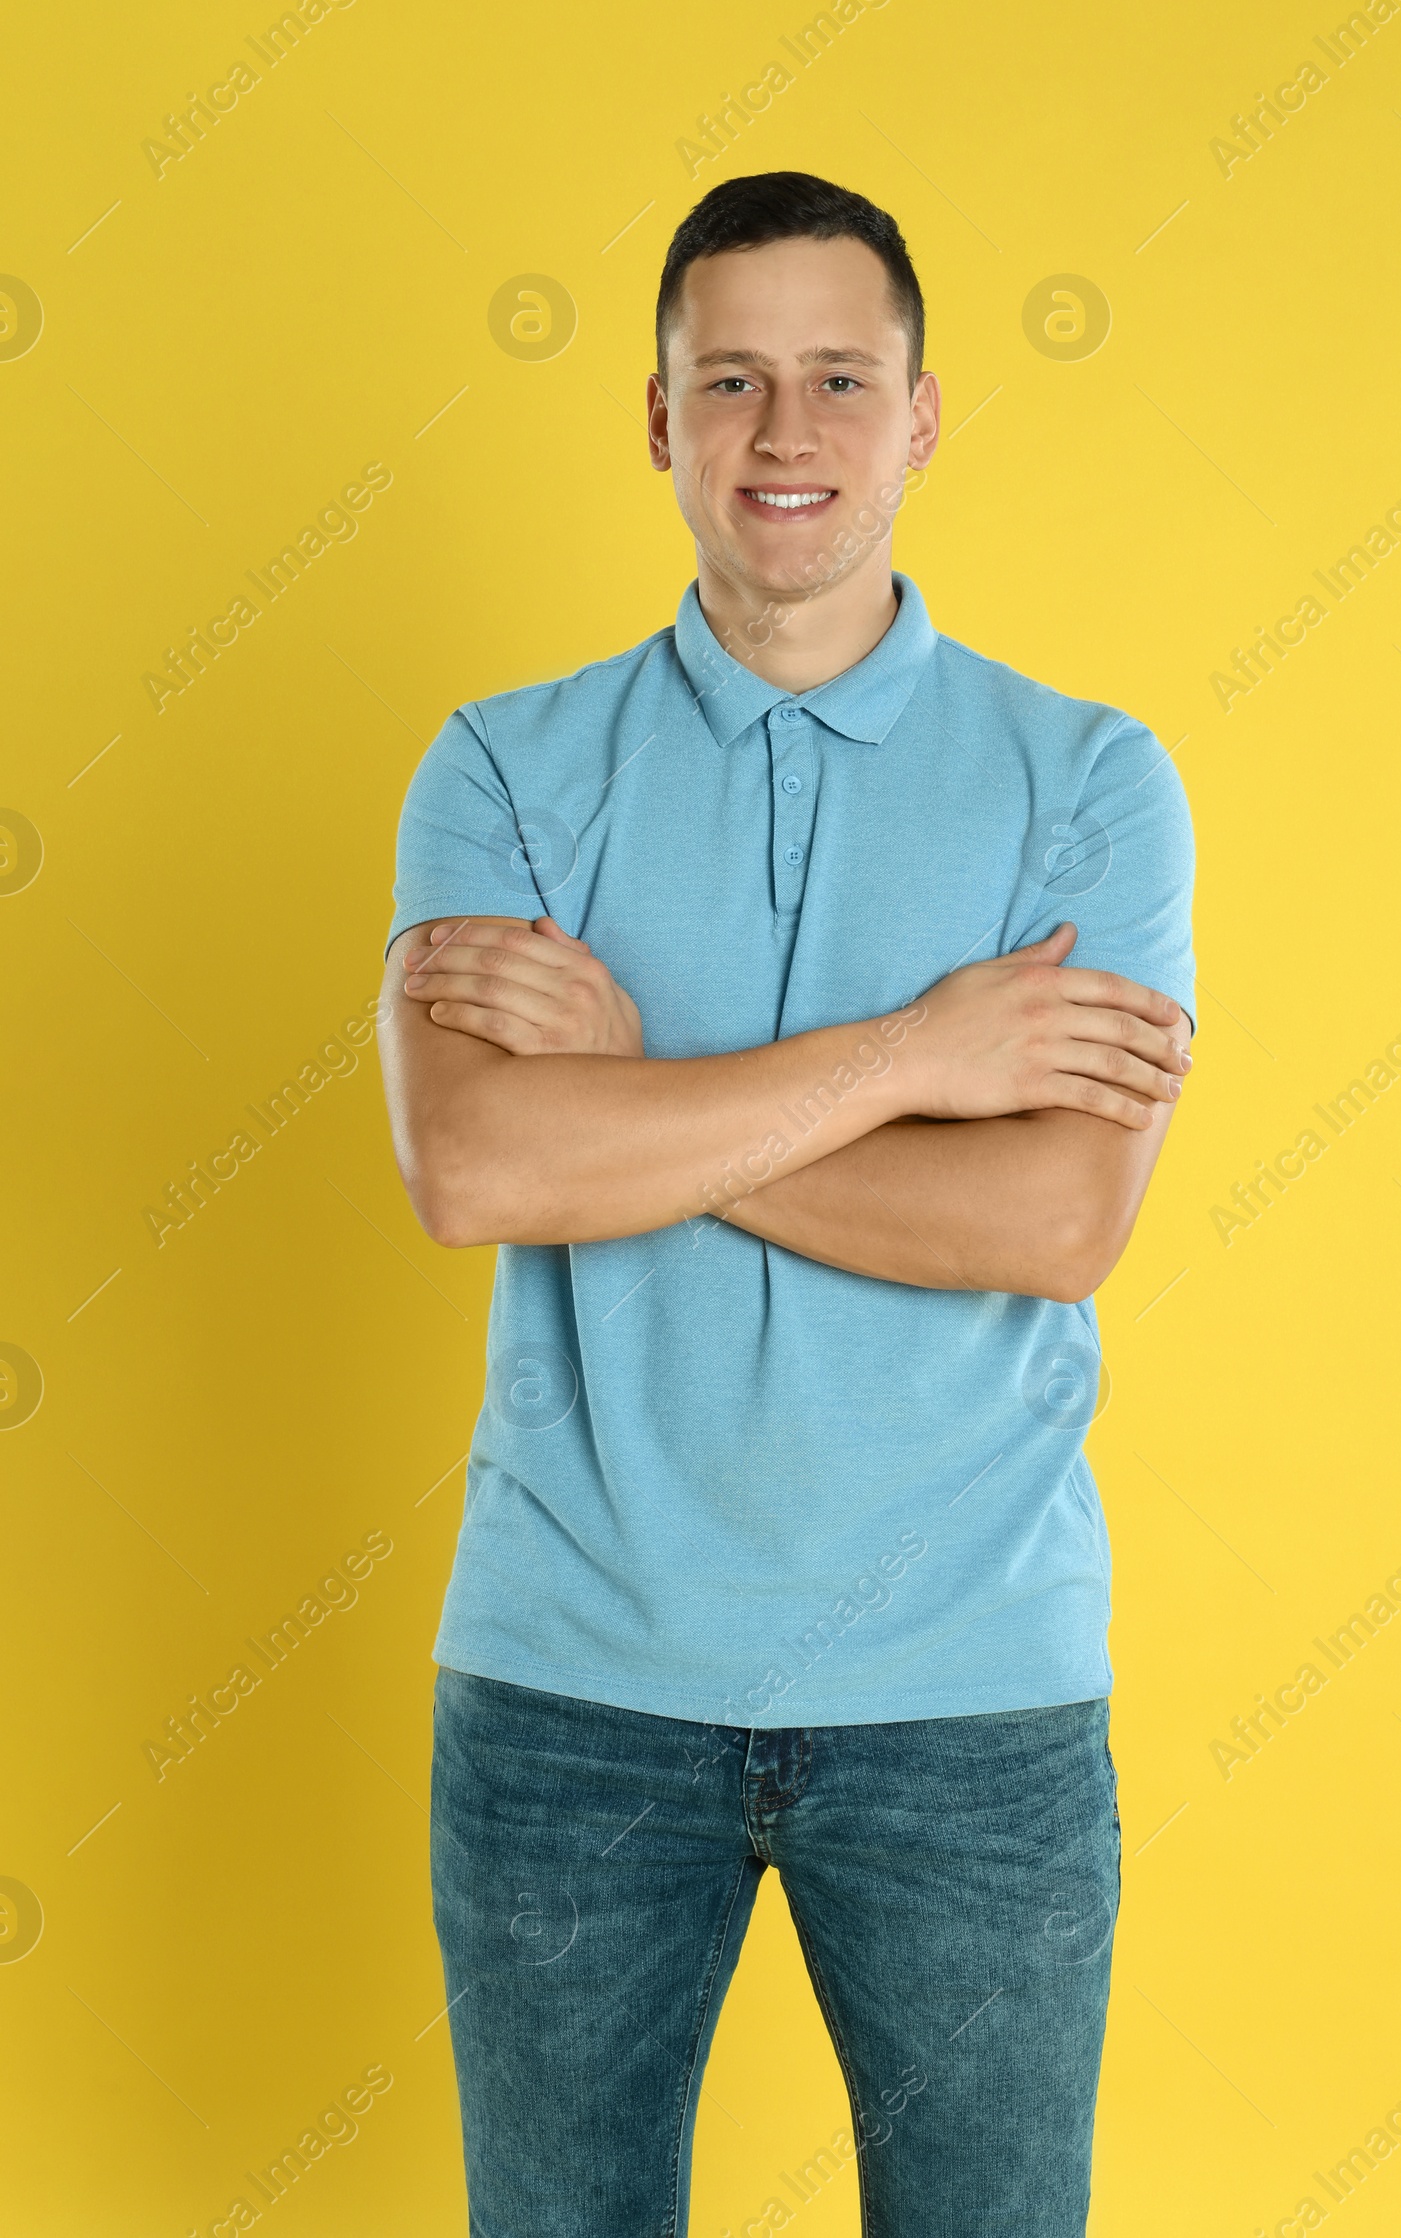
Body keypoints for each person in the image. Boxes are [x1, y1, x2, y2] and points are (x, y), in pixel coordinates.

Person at [377, 169, 1196, 2238]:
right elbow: (476, 1169)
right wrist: (923, 1057)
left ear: (922, 414)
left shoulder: (1090, 780)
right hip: (572, 1683)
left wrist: (628, 1104)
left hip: (969, 1695)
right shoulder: (496, 768)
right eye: (726, 379)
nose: (783, 433)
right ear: (655, 422)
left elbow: (1050, 1226)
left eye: (838, 377)